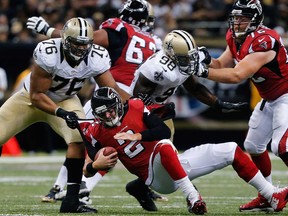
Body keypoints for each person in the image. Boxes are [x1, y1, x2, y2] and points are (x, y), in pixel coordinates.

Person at [26, 0, 168, 204]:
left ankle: (66, 187)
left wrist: (48, 30)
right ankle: (141, 185)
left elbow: (86, 39)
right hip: (131, 98)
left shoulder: (119, 28)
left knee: (89, 138)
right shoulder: (154, 41)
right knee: (121, 144)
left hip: (110, 93)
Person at [81, 86, 288, 214]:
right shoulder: (98, 131)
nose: (108, 116)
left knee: (232, 150)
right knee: (164, 146)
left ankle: (271, 195)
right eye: (102, 114)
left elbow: (162, 130)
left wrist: (138, 135)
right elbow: (88, 169)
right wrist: (95, 166)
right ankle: (192, 197)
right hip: (155, 177)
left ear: (118, 103)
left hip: (173, 162)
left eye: (110, 110)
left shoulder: (135, 106)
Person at [0, 17, 130, 213]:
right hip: (29, 99)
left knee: (78, 140)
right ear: (65, 40)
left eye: (85, 44)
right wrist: (61, 113)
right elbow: (36, 96)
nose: (80, 48)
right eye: (76, 43)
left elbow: (111, 88)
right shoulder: (48, 52)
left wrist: (140, 106)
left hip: (66, 99)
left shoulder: (97, 56)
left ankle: (71, 201)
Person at [193, 0, 288, 212]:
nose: (237, 23)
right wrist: (203, 58)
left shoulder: (264, 41)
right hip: (270, 98)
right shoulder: (235, 38)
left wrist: (200, 71)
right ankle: (267, 194)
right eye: (235, 18)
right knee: (254, 146)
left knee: (281, 147)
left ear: (255, 20)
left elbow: (237, 75)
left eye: (243, 19)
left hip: (286, 95)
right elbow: (220, 65)